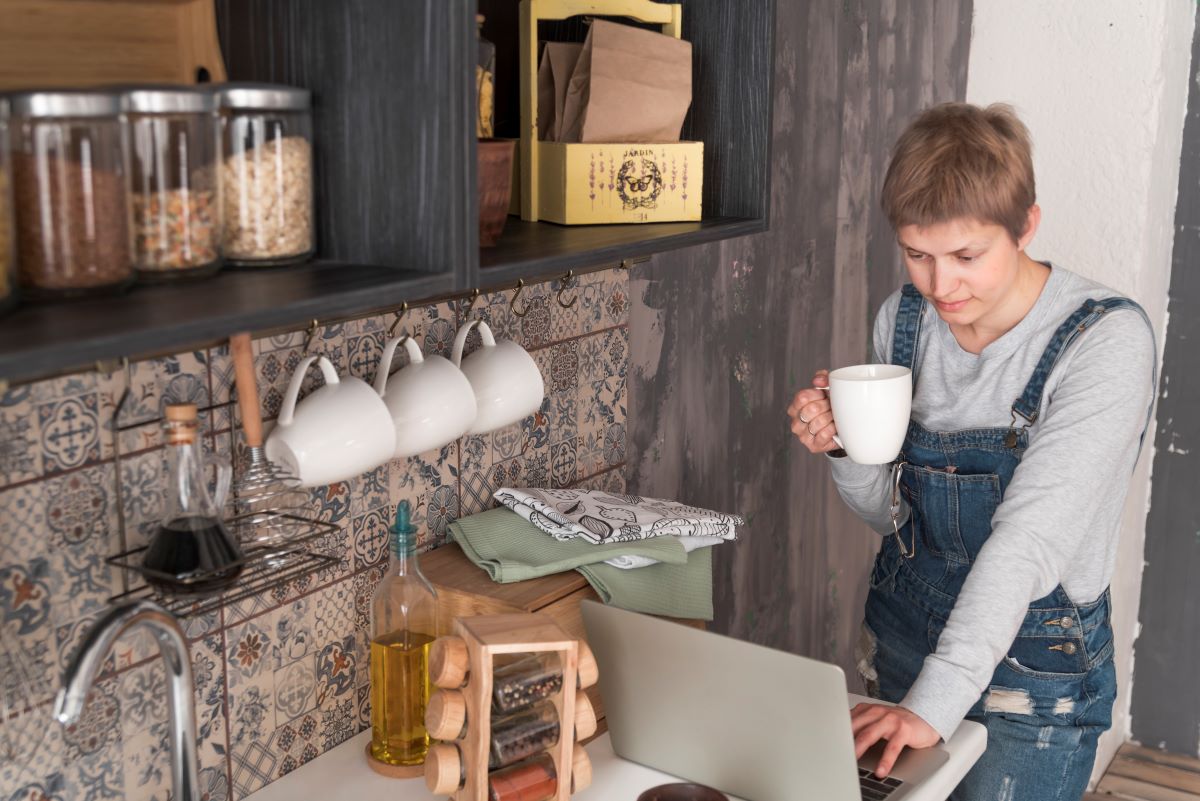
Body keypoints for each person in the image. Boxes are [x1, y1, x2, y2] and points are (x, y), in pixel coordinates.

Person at [787, 102, 1157, 801]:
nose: (940, 286)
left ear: (1025, 226)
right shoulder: (902, 322)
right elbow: (892, 519)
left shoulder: (1105, 342)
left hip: (1033, 675)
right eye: (917, 254)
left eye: (966, 256)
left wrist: (933, 703)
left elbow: (1028, 542)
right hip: (901, 641)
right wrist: (845, 449)